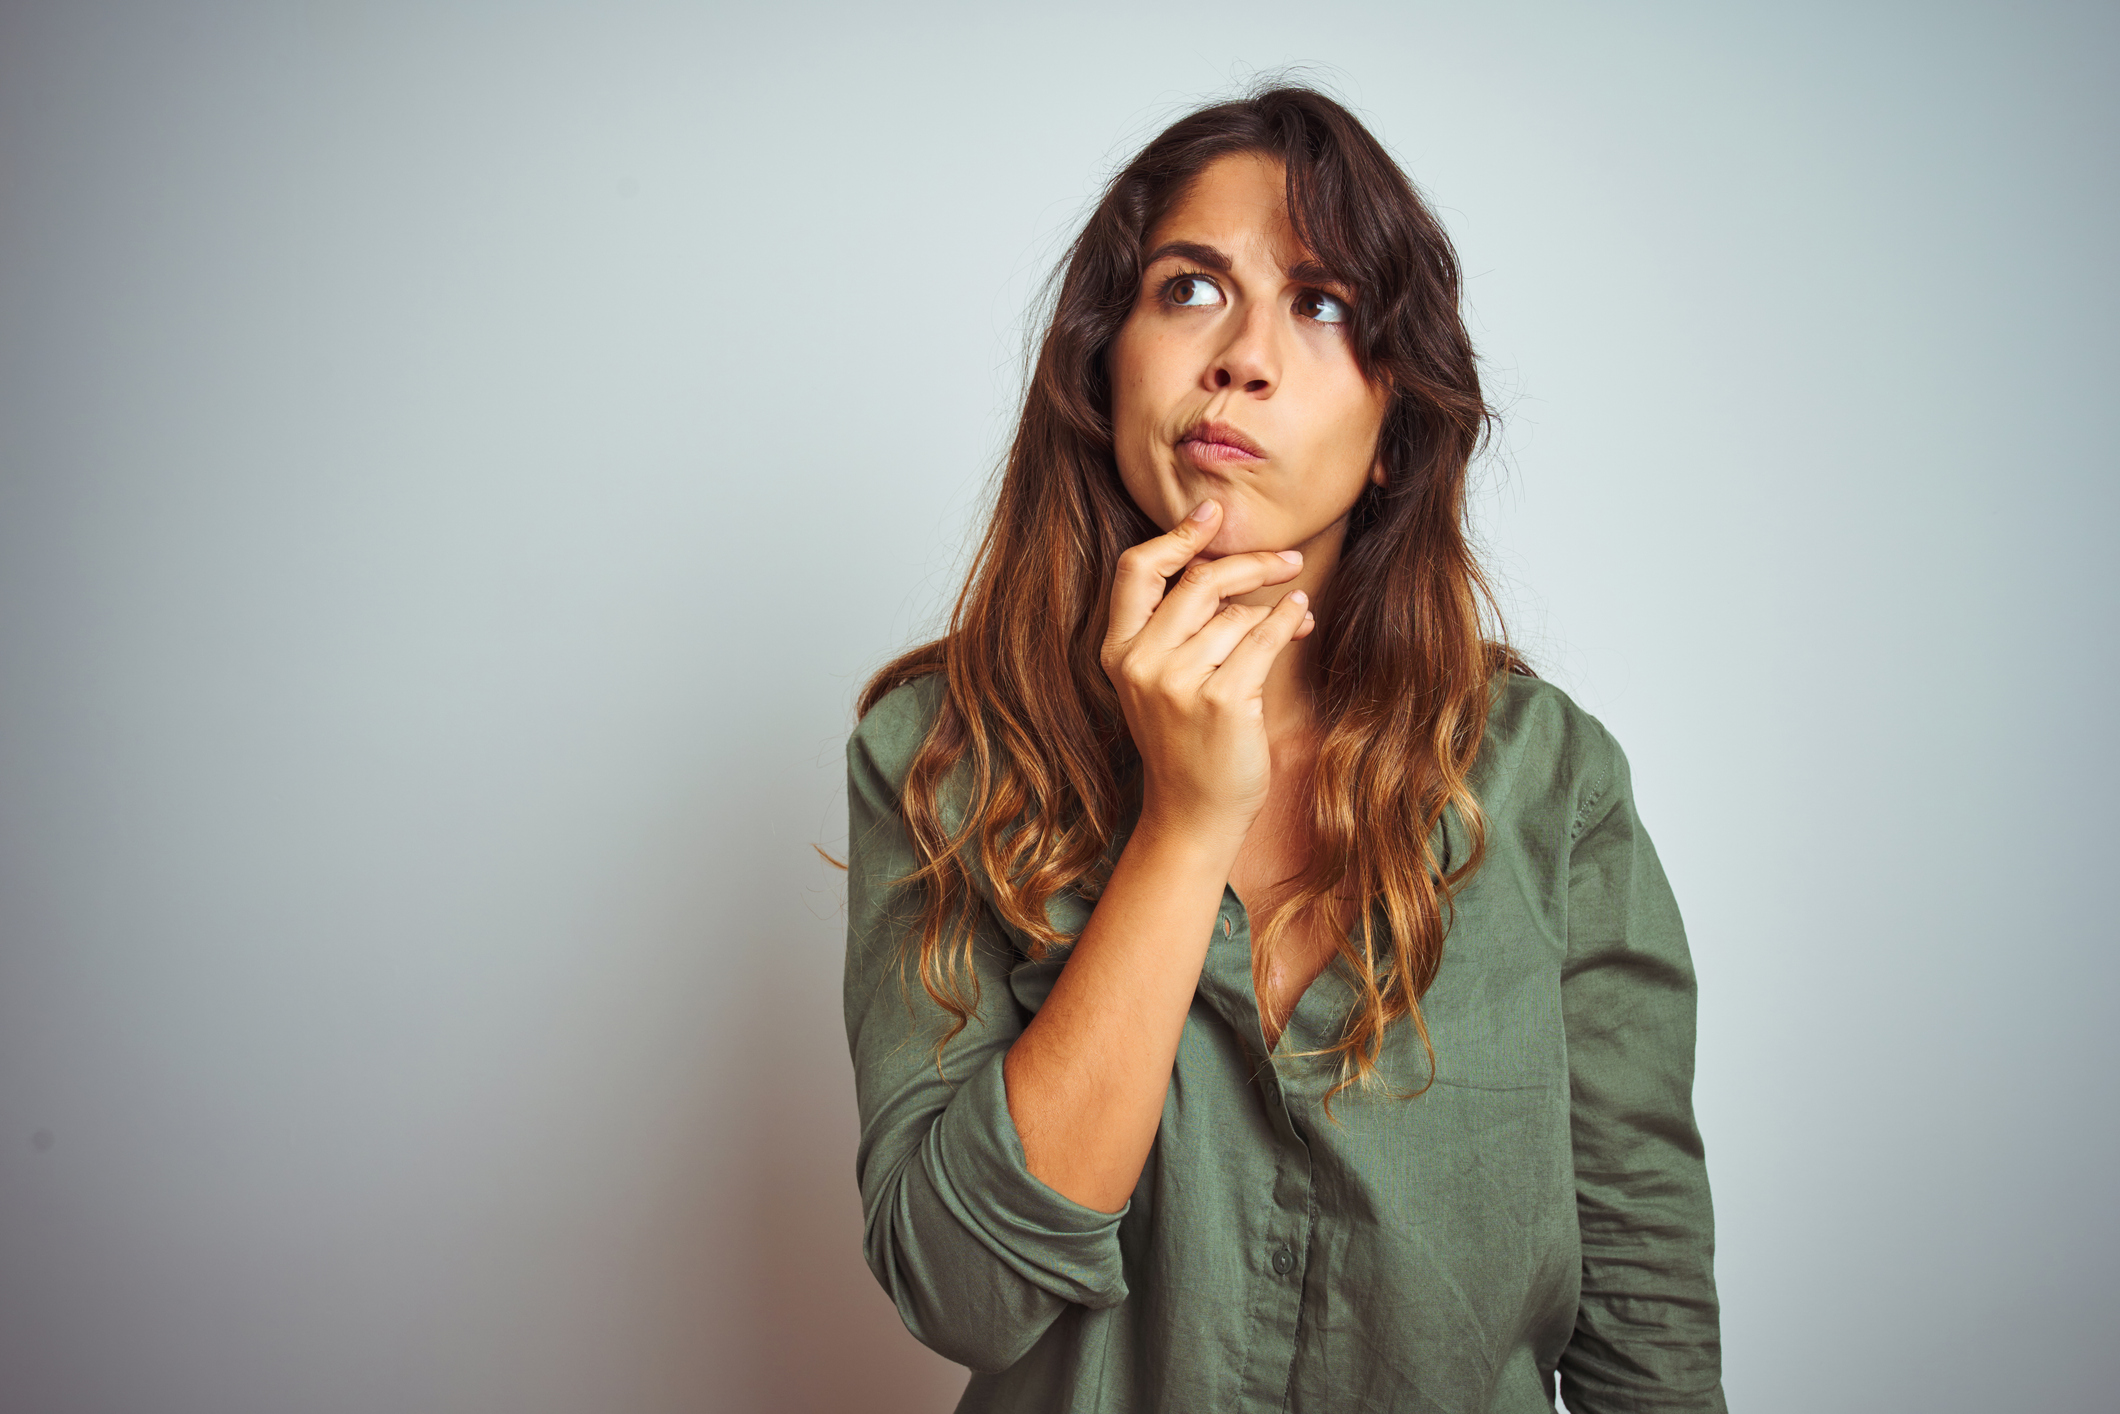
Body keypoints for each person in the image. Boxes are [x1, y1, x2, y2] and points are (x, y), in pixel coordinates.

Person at [838, 85, 1724, 1413]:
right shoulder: (941, 757)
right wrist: (1183, 828)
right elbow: (964, 1291)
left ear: (1391, 431)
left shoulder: (1551, 784)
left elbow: (1645, 1308)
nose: (1243, 355)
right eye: (1190, 288)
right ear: (1104, 363)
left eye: (1322, 306)